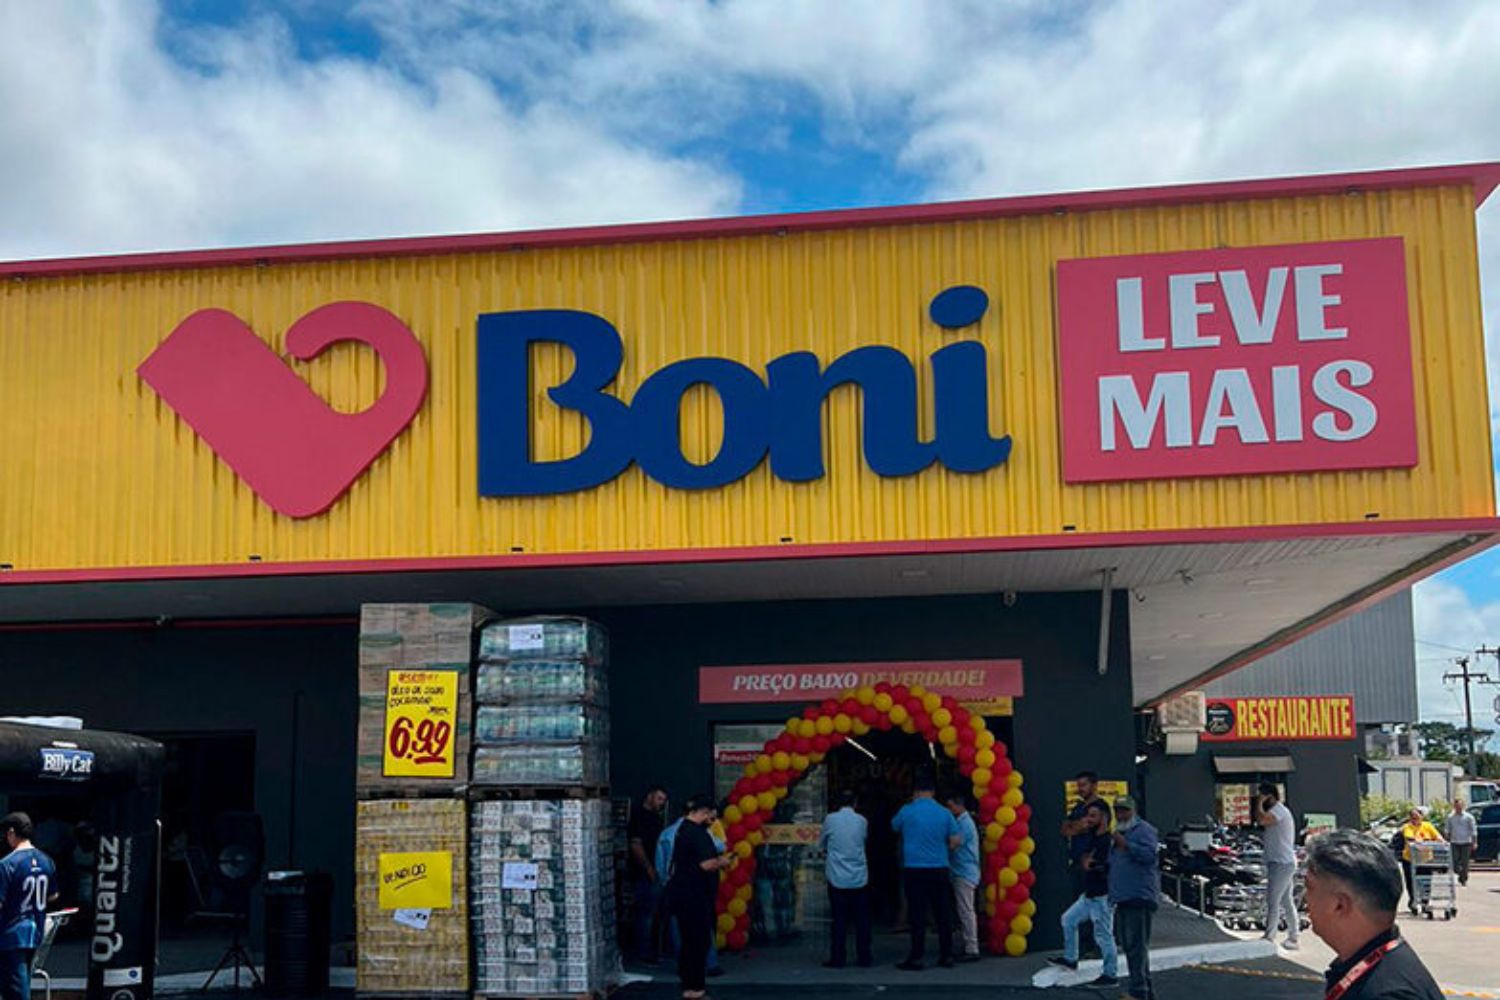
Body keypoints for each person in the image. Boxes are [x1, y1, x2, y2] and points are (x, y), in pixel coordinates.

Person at [1303, 829, 1441, 999]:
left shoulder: (1386, 993)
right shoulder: (1382, 965)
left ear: (1340, 905)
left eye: (1309, 888)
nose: (1305, 898)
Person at [891, 771, 961, 971]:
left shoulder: (907, 811)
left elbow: (894, 827)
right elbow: (955, 841)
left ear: (915, 792)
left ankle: (916, 957)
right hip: (939, 867)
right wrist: (942, 849)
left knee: (917, 914)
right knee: (942, 913)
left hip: (914, 868)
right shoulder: (944, 813)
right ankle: (946, 955)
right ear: (933, 792)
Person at [665, 795, 733, 1000]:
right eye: (711, 816)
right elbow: (706, 864)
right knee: (698, 942)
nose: (712, 821)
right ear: (703, 812)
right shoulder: (697, 834)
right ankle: (695, 988)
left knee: (689, 942)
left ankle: (689, 986)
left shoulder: (682, 830)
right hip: (695, 896)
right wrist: (722, 862)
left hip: (684, 895)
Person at [1049, 800, 1118, 986]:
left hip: (1102, 896)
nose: (1089, 820)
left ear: (1104, 817)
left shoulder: (1108, 841)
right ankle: (1070, 958)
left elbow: (1109, 867)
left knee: (1104, 936)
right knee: (1068, 919)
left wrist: (1092, 864)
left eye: (1093, 816)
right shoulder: (1093, 837)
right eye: (1088, 816)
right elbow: (1082, 855)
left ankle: (1110, 975)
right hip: (1089, 895)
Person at [655, 814, 723, 977]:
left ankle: (684, 964)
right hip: (696, 884)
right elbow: (719, 847)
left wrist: (664, 880)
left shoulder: (666, 834)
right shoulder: (700, 833)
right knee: (702, 924)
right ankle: (710, 963)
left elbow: (660, 861)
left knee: (678, 925)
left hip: (673, 883)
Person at [0, 813, 56, 1000]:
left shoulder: (7, 864)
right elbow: (53, 895)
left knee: (16, 991)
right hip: (35, 932)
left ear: (11, 832)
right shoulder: (46, 860)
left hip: (11, 935)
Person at [1107, 796, 1158, 1000]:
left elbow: (1149, 856)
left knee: (1136, 945)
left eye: (1125, 810)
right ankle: (1144, 989)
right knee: (1132, 946)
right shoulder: (1120, 832)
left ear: (1134, 811)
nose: (1121, 815)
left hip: (1139, 895)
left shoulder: (1144, 830)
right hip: (1124, 896)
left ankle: (1139, 991)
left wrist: (1127, 845)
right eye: (1118, 810)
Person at [820, 789, 872, 968]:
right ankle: (864, 957)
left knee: (839, 920)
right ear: (855, 803)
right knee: (861, 920)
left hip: (837, 877)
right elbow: (863, 840)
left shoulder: (830, 819)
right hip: (859, 877)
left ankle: (838, 958)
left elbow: (823, 842)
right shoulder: (862, 821)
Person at [1257, 783, 1300, 950]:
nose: (1259, 798)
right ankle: (1293, 937)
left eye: (1262, 795)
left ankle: (1269, 936)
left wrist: (1259, 803)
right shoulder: (1278, 811)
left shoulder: (1279, 811)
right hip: (1281, 862)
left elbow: (1262, 820)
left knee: (1273, 899)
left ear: (1270, 796)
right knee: (1286, 900)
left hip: (1281, 863)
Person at [628, 785, 669, 961]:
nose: (661, 803)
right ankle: (644, 952)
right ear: (649, 796)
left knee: (654, 912)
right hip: (645, 872)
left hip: (656, 870)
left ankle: (653, 950)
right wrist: (648, 868)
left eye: (663, 800)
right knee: (646, 913)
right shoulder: (639, 817)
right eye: (659, 798)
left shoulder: (656, 818)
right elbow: (635, 845)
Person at [942, 790, 982, 963]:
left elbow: (954, 844)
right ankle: (968, 943)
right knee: (964, 909)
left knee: (966, 910)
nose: (948, 810)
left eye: (950, 806)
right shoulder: (963, 822)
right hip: (962, 870)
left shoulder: (964, 824)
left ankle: (972, 947)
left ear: (959, 805)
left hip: (964, 871)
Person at [1395, 808, 1442, 915]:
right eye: (1413, 817)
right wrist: (1421, 841)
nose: (1415, 819)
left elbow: (1437, 836)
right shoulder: (1407, 827)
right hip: (1410, 859)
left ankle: (1425, 902)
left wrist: (1440, 840)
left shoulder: (1428, 826)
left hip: (1425, 859)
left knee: (1425, 881)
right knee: (1411, 882)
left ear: (1421, 816)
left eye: (1417, 817)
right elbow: (1410, 839)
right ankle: (1413, 901)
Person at [1445, 800, 1476, 887]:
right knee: (1454, 862)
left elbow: (1473, 830)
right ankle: (1460, 873)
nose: (1458, 808)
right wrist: (1446, 838)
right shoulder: (1450, 817)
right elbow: (1447, 829)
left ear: (1463, 806)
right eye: (1456, 806)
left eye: (1459, 806)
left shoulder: (1469, 817)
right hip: (1454, 842)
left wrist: (1474, 842)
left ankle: (1463, 879)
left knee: (1465, 862)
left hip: (1466, 842)